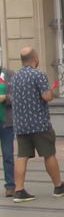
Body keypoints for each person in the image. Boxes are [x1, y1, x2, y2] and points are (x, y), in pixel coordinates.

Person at [12, 47, 64, 202]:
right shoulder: (38, 74)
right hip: (39, 124)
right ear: (35, 59)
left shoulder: (15, 77)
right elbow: (46, 96)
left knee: (22, 156)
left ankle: (19, 190)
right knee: (49, 154)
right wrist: (51, 92)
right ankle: (58, 186)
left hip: (21, 124)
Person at [0, 65, 15, 197]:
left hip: (6, 123)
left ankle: (10, 185)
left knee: (8, 155)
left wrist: (6, 98)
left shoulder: (9, 74)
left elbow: (16, 95)